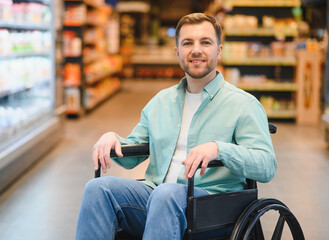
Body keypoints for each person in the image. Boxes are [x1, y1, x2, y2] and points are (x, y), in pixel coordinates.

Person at [75, 13, 276, 240]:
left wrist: (219, 149)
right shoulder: (161, 101)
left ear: (219, 50)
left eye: (205, 42)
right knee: (98, 189)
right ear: (177, 52)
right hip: (157, 196)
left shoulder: (243, 104)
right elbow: (132, 153)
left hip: (214, 207)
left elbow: (266, 165)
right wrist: (112, 139)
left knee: (166, 194)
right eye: (187, 43)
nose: (196, 50)